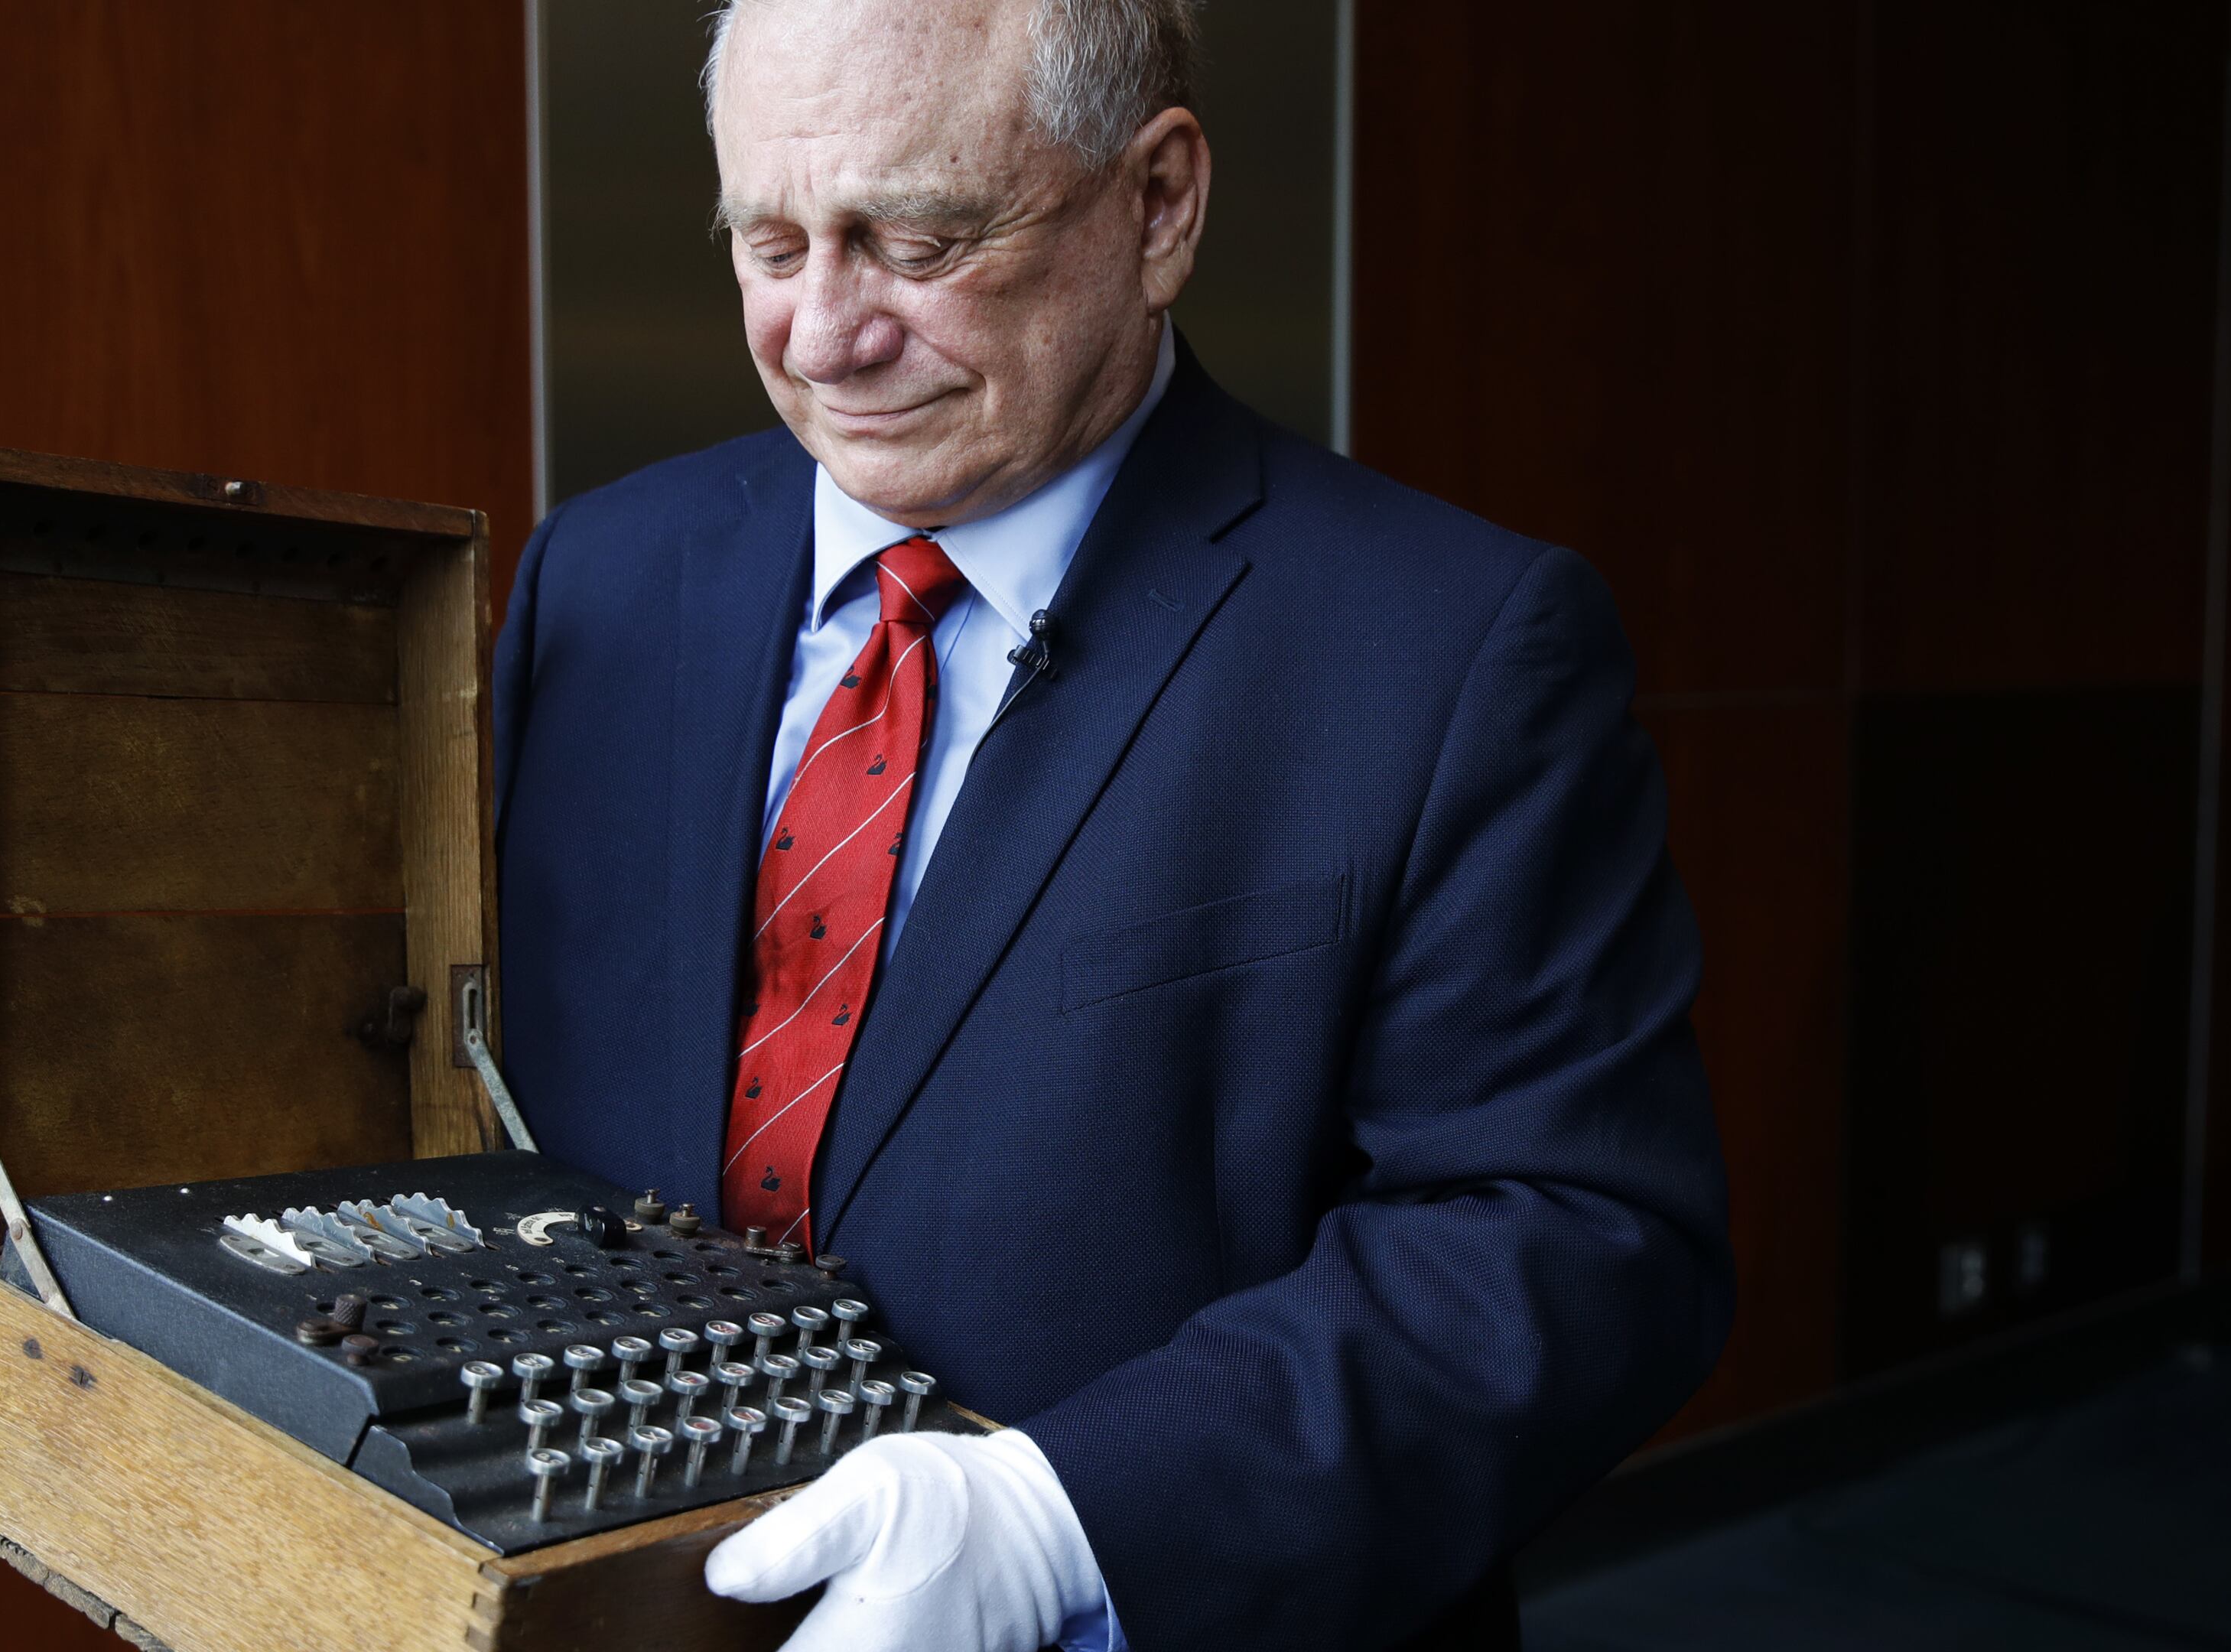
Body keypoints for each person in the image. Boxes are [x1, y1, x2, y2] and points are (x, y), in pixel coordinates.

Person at [489, 1, 1732, 1647]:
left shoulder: (1454, 650)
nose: (822, 334)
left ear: (1158, 206)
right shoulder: (597, 577)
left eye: (920, 239)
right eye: (770, 244)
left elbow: (1575, 1238)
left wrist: (1070, 1521)